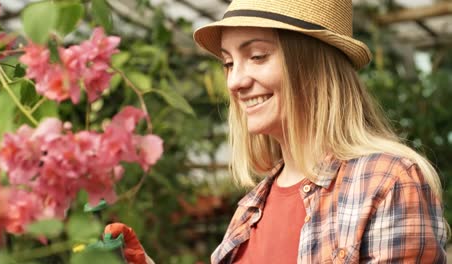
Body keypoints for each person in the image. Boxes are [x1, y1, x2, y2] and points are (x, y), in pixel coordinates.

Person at [105, 0, 448, 263]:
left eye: (257, 56)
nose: (235, 81)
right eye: (228, 62)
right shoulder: (251, 209)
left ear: (314, 66)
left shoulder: (387, 183)